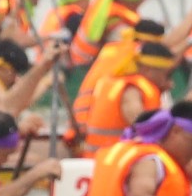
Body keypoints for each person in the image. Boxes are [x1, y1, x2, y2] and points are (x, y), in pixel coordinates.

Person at [73, 26, 174, 155]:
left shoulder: (115, 82)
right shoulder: (132, 90)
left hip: (101, 157)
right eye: (167, 76)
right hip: (110, 160)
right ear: (149, 70)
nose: (170, 83)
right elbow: (141, 124)